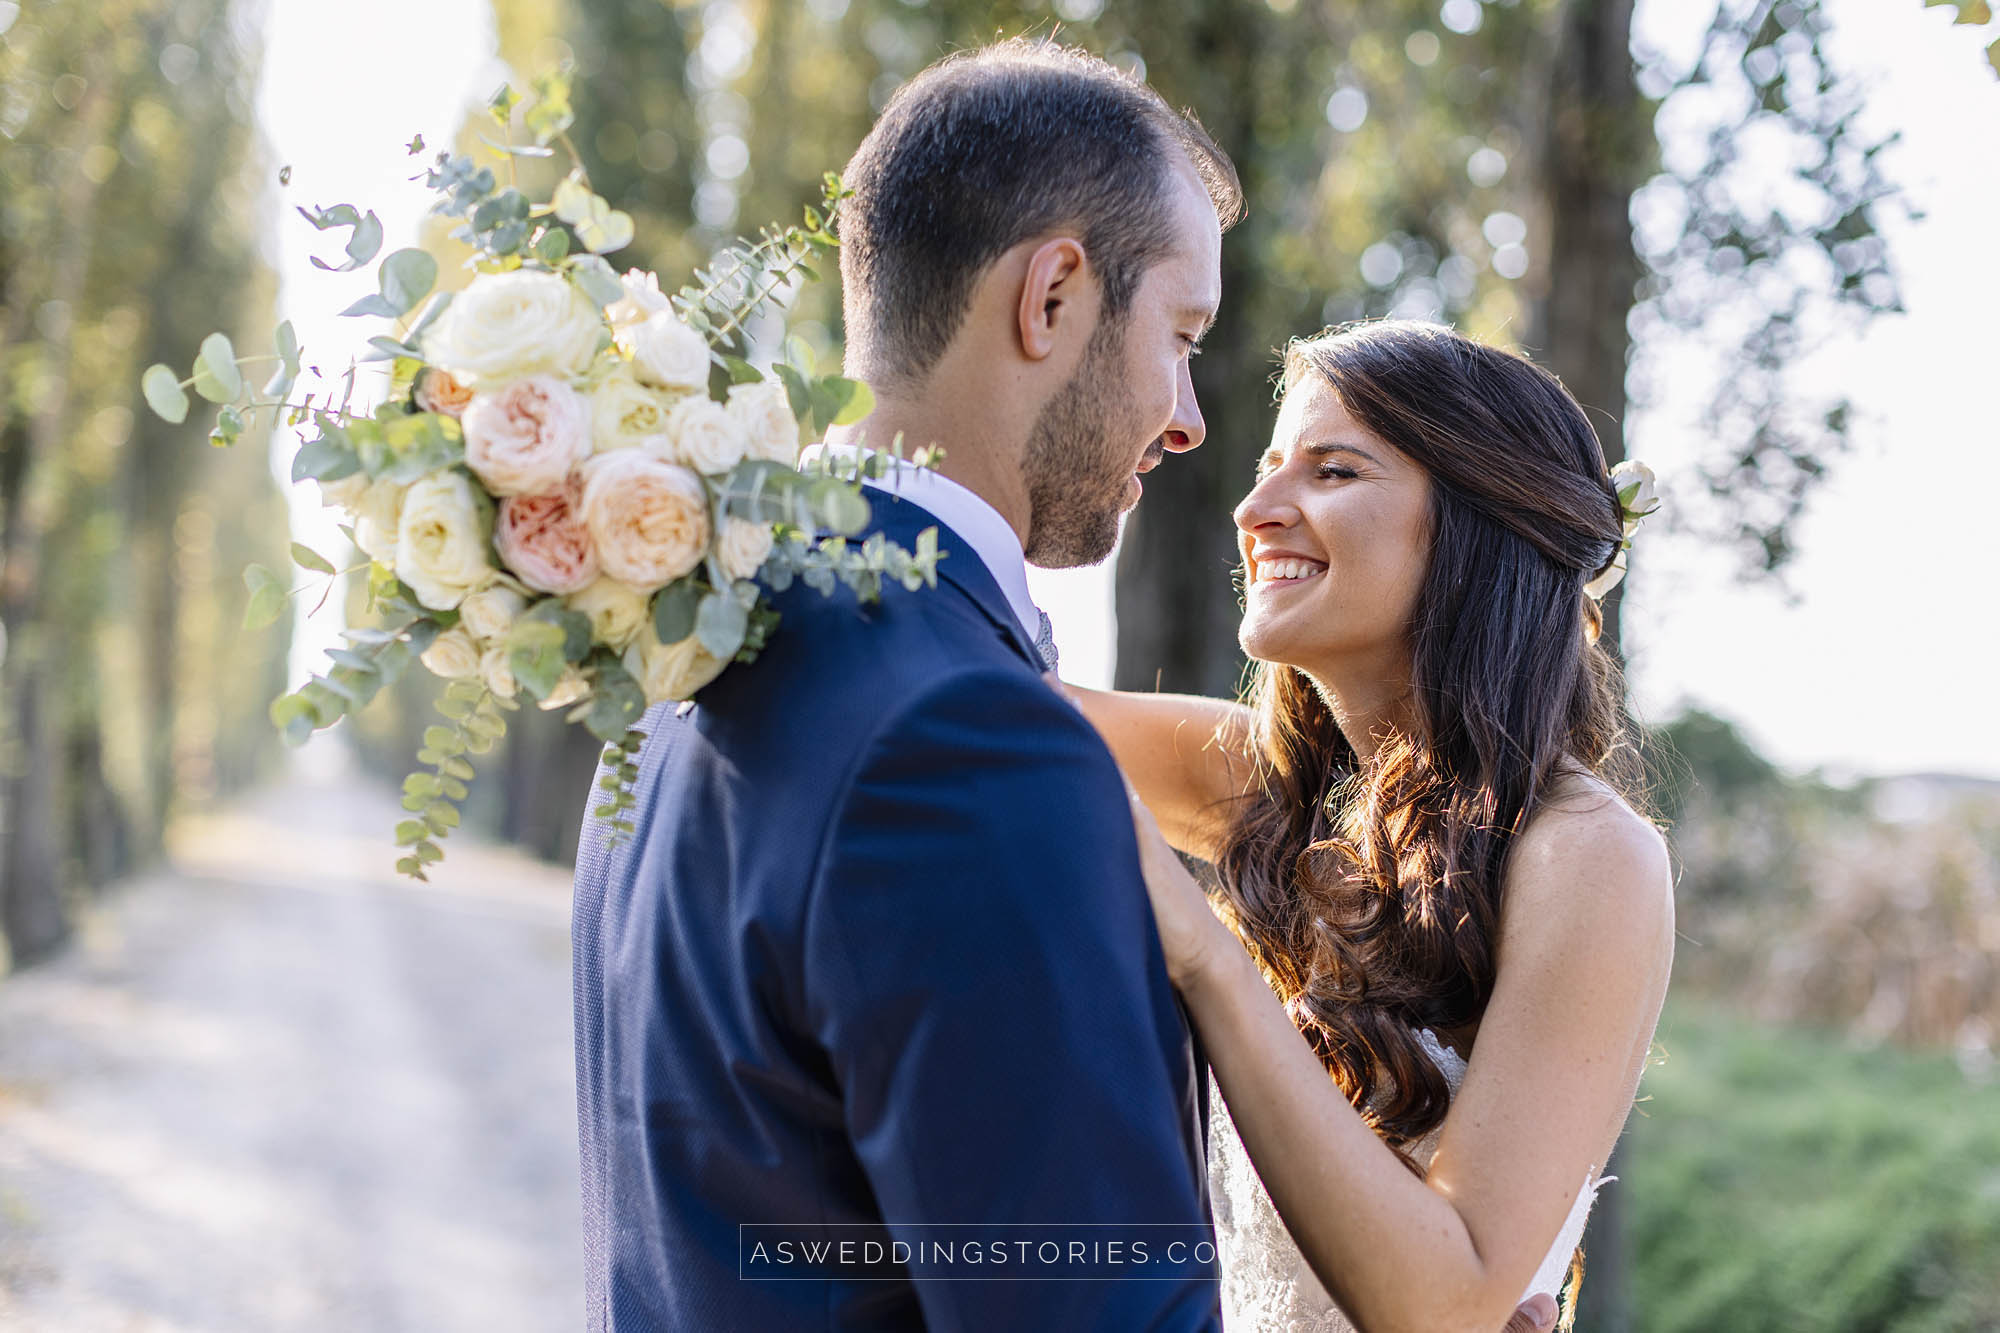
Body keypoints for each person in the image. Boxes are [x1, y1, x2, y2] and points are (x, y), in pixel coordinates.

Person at [570, 39, 1240, 1330]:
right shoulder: (970, 733)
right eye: (1183, 335)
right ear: (1052, 296)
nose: (1190, 415)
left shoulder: (683, 643)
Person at [1069, 319, 1675, 1332]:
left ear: (1480, 527)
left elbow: (1444, 1303)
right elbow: (983, 699)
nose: (1254, 509)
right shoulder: (1283, 800)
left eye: (1332, 471)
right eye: (1267, 469)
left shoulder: (1586, 856)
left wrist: (1201, 955)